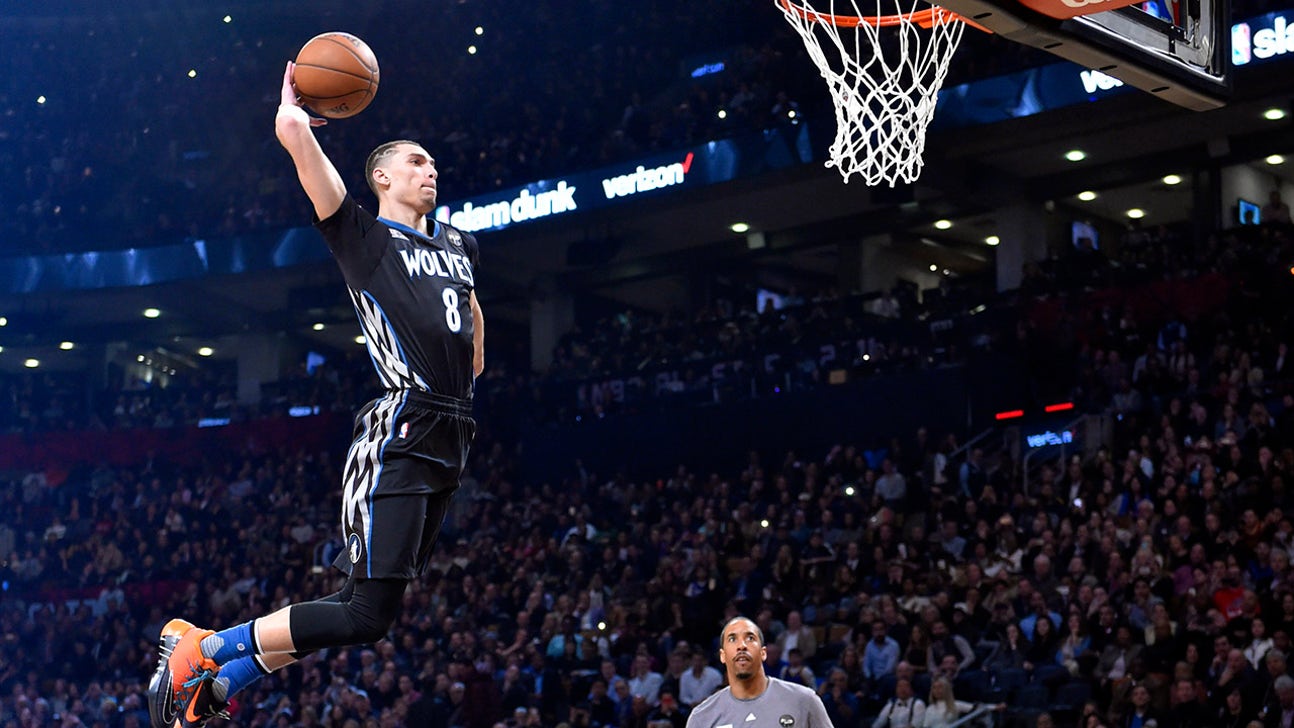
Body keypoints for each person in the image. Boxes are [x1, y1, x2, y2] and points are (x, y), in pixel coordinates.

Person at [148, 59, 484, 728]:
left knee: (370, 615)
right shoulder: (365, 237)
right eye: (416, 162)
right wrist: (294, 120)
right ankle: (205, 650)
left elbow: (474, 347)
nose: (430, 170)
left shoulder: (461, 242)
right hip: (402, 425)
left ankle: (219, 685)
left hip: (454, 428)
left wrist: (471, 319)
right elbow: (303, 154)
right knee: (362, 612)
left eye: (433, 164)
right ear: (383, 176)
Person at [685, 616, 834, 728]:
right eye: (732, 639)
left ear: (763, 653)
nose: (742, 646)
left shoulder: (804, 700)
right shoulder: (702, 716)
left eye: (750, 638)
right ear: (722, 656)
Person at [919, 677, 1003, 728]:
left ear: (947, 689)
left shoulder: (955, 704)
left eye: (940, 687)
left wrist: (995, 707)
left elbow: (978, 708)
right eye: (934, 688)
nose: (937, 691)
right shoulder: (930, 708)